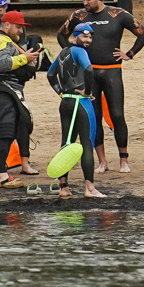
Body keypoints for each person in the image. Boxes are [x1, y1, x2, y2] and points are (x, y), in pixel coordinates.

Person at [66, 0, 144, 173]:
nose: (84, 3)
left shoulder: (118, 14)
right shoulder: (78, 16)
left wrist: (130, 53)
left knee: (117, 115)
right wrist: (73, 53)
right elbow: (61, 35)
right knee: (94, 117)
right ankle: (102, 161)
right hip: (89, 74)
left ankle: (123, 160)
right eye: (83, 0)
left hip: (112, 71)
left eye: (88, 0)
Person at [0, 10, 44, 186]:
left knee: (16, 127)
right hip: (0, 90)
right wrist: (25, 58)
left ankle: (1, 173)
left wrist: (29, 61)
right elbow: (2, 63)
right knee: (5, 132)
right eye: (18, 27)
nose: (21, 31)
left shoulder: (8, 41)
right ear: (7, 25)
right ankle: (0, 175)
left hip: (7, 90)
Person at [50, 21, 108, 198]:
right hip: (81, 103)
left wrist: (61, 92)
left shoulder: (62, 52)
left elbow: (50, 74)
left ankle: (64, 188)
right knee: (87, 144)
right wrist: (88, 92)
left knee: (66, 143)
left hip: (66, 102)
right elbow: (89, 70)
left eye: (90, 37)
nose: (88, 40)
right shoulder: (79, 51)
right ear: (75, 36)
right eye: (84, 36)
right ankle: (90, 188)